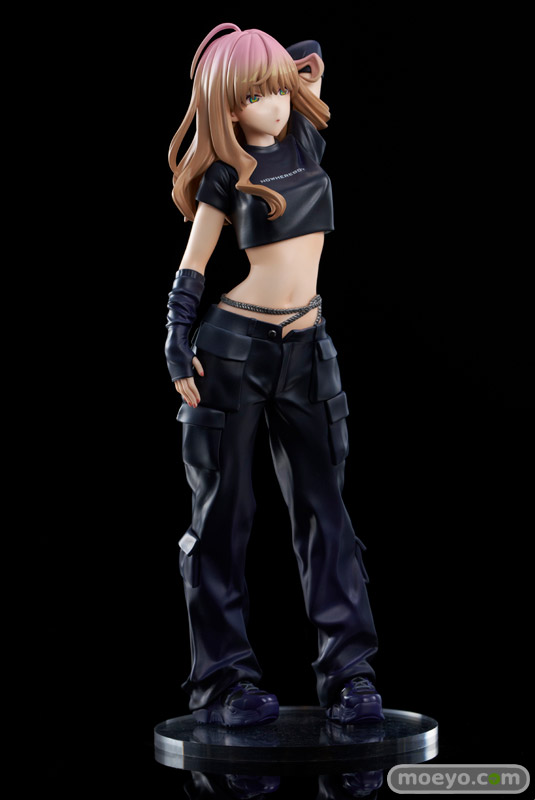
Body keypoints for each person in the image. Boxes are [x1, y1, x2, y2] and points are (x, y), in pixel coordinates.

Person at [165, 23, 384, 727]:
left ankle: (349, 675)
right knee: (223, 518)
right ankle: (222, 683)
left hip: (308, 347)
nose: (276, 105)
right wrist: (175, 340)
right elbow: (193, 265)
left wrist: (280, 71)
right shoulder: (224, 175)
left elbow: (312, 54)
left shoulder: (305, 141)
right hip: (232, 352)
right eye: (255, 96)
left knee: (327, 514)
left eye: (278, 91)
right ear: (228, 107)